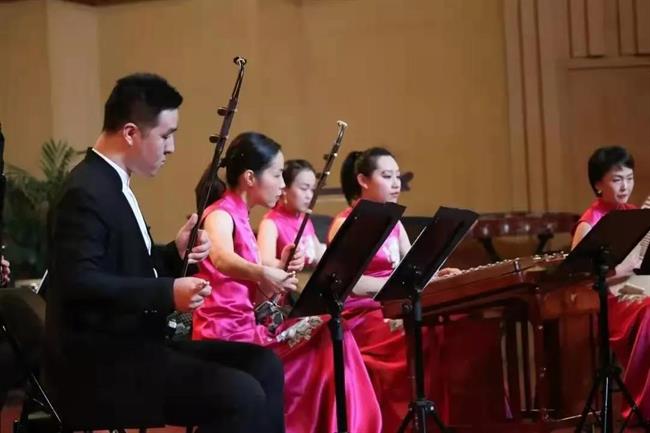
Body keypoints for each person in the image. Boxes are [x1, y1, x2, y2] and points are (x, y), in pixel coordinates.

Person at [45, 73, 285, 433]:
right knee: (240, 394)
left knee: (264, 365)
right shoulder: (85, 191)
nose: (171, 147)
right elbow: (79, 283)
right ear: (130, 133)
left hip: (138, 346)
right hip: (100, 366)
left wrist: (176, 253)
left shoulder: (111, 184)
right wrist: (168, 291)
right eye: (165, 135)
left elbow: (126, 267)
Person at [192, 133, 381, 433]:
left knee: (333, 327)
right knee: (329, 333)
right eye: (277, 174)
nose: (282, 184)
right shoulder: (220, 214)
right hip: (225, 336)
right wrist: (264, 273)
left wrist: (279, 269)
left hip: (248, 329)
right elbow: (221, 258)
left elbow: (252, 294)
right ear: (250, 178)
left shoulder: (242, 218)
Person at [571, 145, 649, 423]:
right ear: (598, 185)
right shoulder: (589, 222)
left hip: (638, 287)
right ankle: (642, 405)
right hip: (609, 299)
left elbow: (643, 262)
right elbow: (580, 277)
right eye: (617, 180)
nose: (625, 186)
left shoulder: (635, 213)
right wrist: (622, 268)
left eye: (629, 178)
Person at [257, 159, 325, 269]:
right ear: (284, 189)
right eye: (304, 188)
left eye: (312, 189)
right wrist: (285, 265)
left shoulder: (304, 219)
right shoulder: (270, 223)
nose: (309, 195)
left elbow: (318, 255)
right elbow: (265, 262)